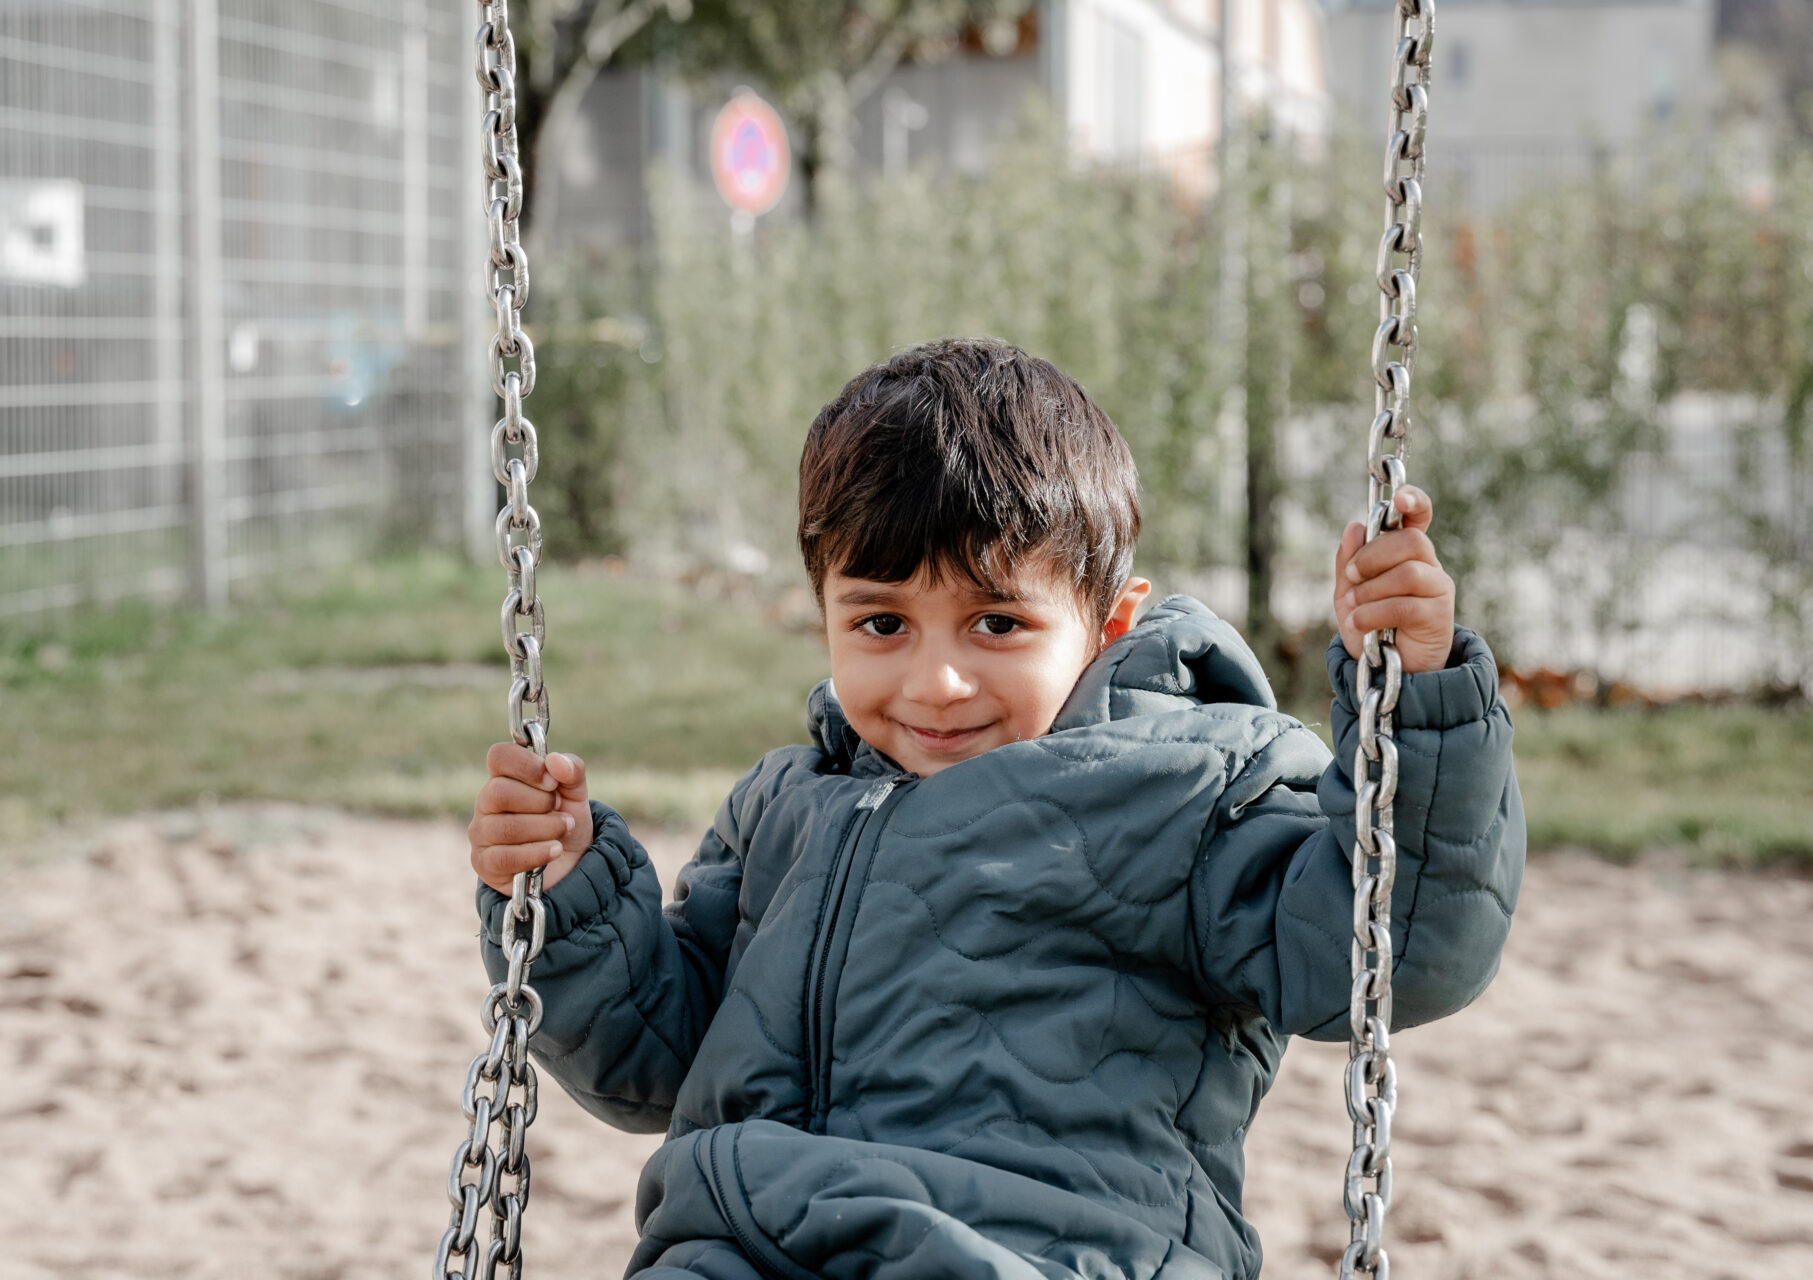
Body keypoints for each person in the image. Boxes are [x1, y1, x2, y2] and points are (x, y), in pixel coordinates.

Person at [467, 337, 1524, 1280]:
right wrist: (563, 895)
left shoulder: (1192, 790)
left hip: (1043, 1244)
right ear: (825, 614)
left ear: (1110, 623)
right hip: (742, 1237)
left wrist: (1413, 697)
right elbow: (654, 1057)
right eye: (882, 622)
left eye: (998, 623)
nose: (939, 682)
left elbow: (1395, 948)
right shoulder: (784, 809)